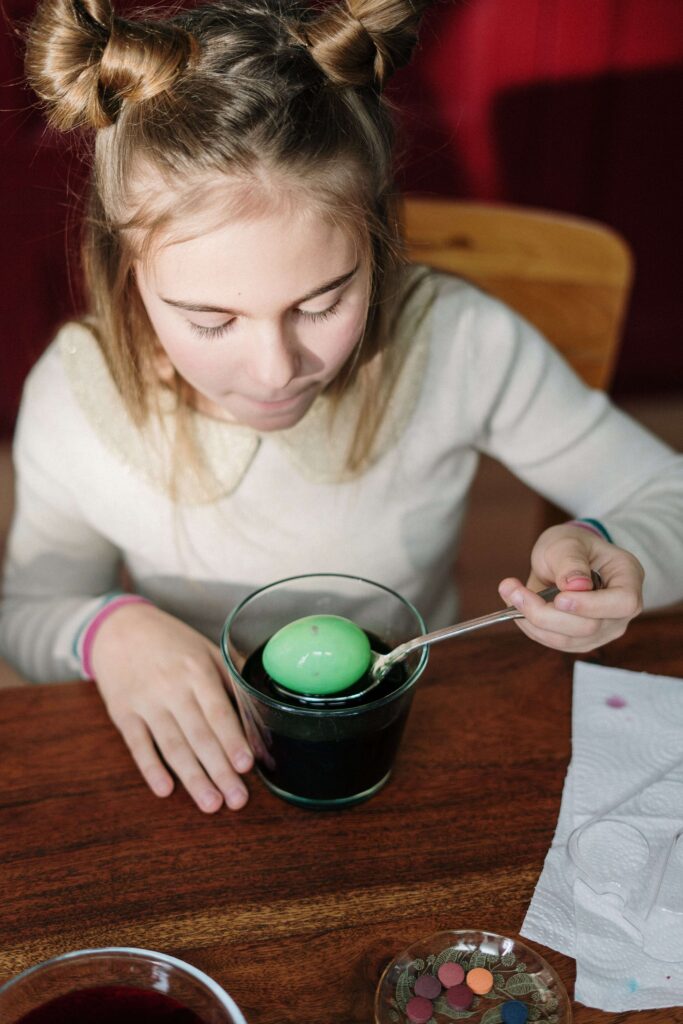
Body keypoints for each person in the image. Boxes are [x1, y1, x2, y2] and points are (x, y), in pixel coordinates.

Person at [1, 0, 681, 814]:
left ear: (375, 244)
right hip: (196, 777)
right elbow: (27, 612)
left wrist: (609, 545)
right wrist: (104, 631)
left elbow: (664, 499)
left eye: (322, 303)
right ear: (128, 271)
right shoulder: (78, 399)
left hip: (418, 746)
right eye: (209, 320)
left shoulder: (455, 343)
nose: (275, 369)